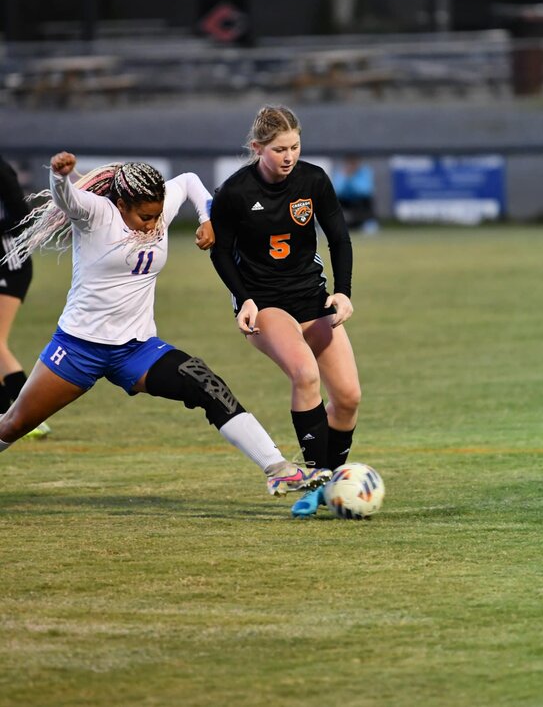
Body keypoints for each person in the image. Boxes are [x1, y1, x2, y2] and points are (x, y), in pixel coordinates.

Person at [0, 151, 331, 499]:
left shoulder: (157, 206)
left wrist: (207, 217)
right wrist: (59, 177)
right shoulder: (95, 213)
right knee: (14, 423)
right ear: (123, 203)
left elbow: (188, 180)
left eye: (158, 218)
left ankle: (277, 469)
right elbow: (65, 198)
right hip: (79, 348)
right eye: (144, 217)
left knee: (207, 385)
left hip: (137, 350)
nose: (152, 226)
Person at [210, 105, 361, 517]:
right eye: (279, 149)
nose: (289, 156)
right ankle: (313, 480)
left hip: (311, 297)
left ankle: (329, 481)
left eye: (294, 146)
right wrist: (244, 299)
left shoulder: (313, 180)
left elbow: (339, 239)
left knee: (348, 398)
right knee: (305, 373)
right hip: (265, 302)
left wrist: (343, 292)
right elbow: (220, 251)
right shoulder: (236, 192)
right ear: (258, 148)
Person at [0, 155, 50, 439]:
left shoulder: (1, 169)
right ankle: (5, 413)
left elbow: (21, 216)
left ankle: (31, 416)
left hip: (10, 262)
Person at [332, 155, 378, 233]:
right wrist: (345, 178)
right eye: (349, 163)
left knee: (367, 201)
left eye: (353, 163)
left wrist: (351, 179)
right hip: (345, 202)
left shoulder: (365, 172)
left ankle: (369, 224)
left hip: (360, 202)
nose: (351, 166)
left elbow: (366, 191)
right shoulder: (341, 173)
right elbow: (337, 191)